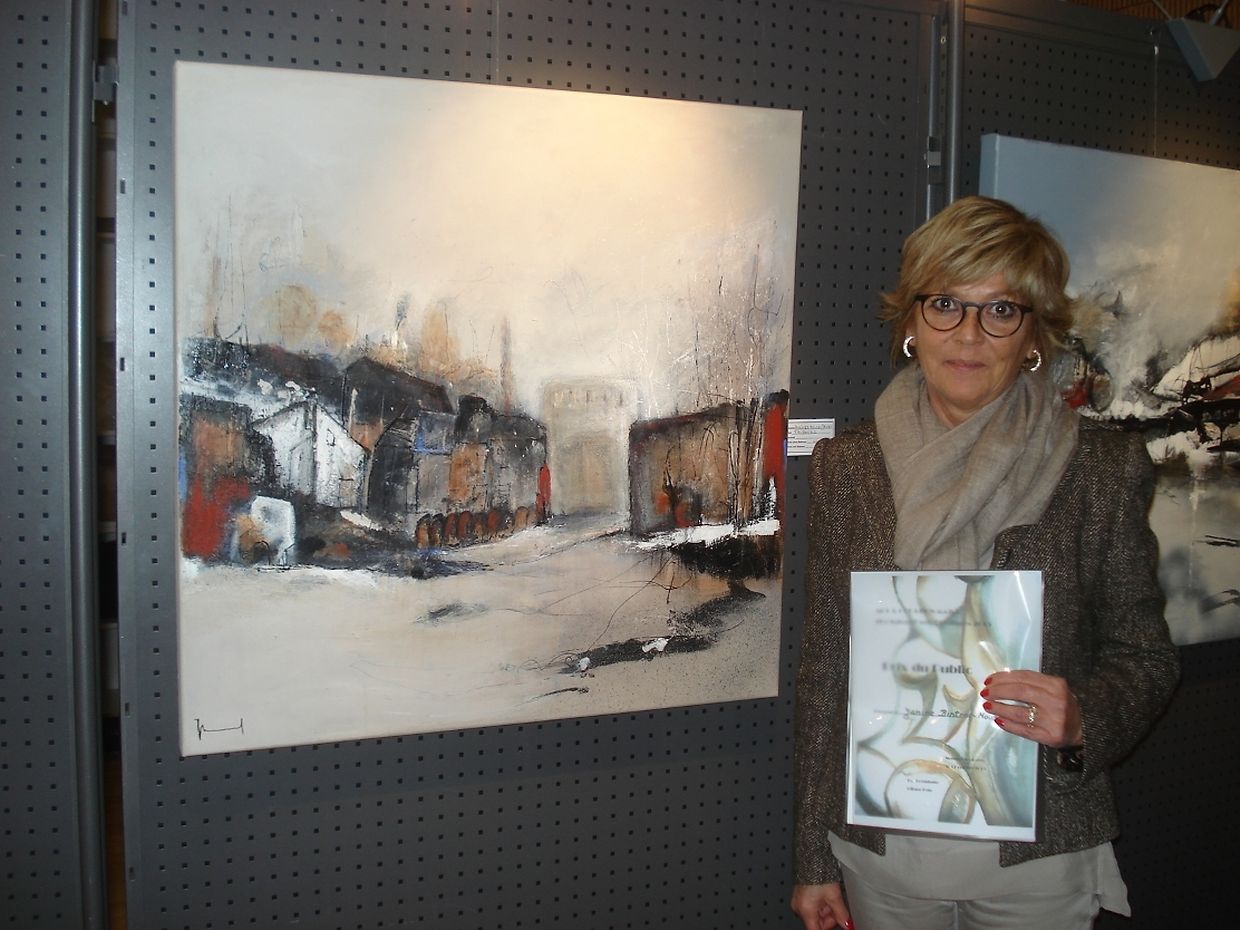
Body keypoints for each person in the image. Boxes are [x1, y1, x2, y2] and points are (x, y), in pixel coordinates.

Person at [790, 196, 1179, 930]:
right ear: (911, 321)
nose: (968, 334)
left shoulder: (1100, 468)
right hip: (883, 854)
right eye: (945, 304)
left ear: (1032, 334)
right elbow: (826, 667)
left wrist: (1085, 717)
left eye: (1000, 310)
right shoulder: (849, 467)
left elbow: (1145, 655)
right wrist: (813, 855)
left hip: (1037, 855)